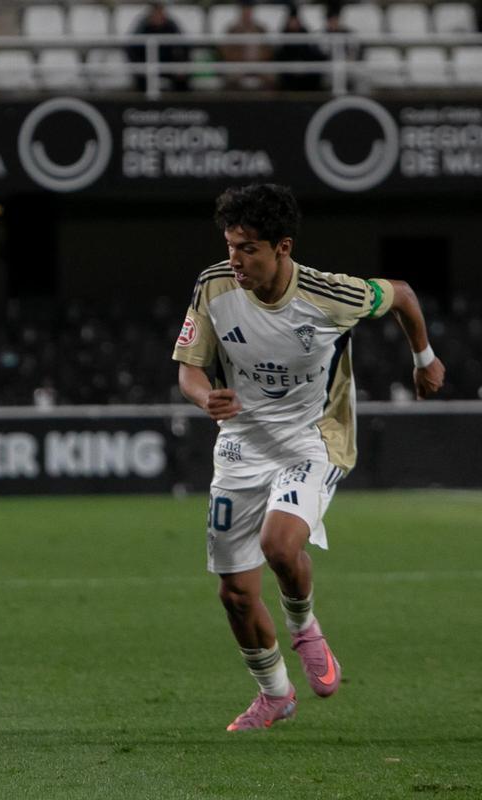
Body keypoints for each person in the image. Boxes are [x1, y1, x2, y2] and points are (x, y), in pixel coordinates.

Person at [172, 183, 445, 731]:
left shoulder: (329, 295)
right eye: (231, 245)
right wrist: (207, 398)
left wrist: (424, 358)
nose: (236, 258)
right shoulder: (214, 284)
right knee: (235, 594)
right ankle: (274, 694)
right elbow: (189, 369)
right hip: (240, 445)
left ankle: (304, 625)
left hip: (313, 440)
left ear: (283, 248)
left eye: (248, 247)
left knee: (279, 543)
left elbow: (405, 294)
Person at [126, 2, 191, 92]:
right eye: (156, 13)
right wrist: (139, 66)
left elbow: (185, 45)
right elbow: (131, 48)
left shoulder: (171, 24)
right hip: (146, 63)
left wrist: (181, 64)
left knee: (182, 80)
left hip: (168, 63)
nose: (159, 16)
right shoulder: (142, 26)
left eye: (161, 12)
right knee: (143, 82)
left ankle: (183, 103)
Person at [220, 0, 273, 90]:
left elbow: (268, 50)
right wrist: (239, 63)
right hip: (238, 65)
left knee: (272, 77)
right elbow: (226, 51)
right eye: (244, 12)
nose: (247, 14)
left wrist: (259, 62)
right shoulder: (232, 30)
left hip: (259, 65)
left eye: (249, 12)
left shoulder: (261, 29)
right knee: (230, 79)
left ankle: (268, 103)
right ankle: (233, 102)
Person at [276, 6, 324, 92]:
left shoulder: (305, 33)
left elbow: (310, 52)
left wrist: (303, 66)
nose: (294, 23)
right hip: (288, 71)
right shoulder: (284, 34)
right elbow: (281, 54)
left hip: (305, 70)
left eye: (295, 20)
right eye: (292, 20)